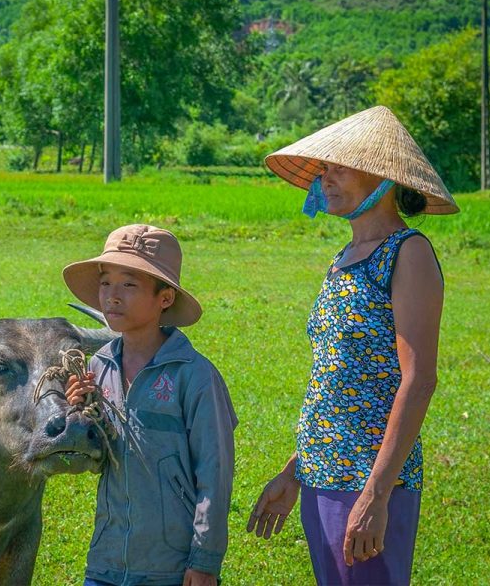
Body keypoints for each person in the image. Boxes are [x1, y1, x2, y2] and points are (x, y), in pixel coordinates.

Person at [246, 106, 459, 585]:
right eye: (323, 170)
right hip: (321, 473)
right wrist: (293, 471)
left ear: (383, 178)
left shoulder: (409, 253)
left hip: (369, 480)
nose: (325, 180)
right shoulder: (342, 258)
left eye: (338, 168)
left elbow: (419, 379)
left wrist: (376, 494)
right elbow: (336, 381)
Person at [63, 224, 238, 586]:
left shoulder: (195, 376)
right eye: (105, 282)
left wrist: (205, 560)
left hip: (170, 569)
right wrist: (78, 420)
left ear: (165, 298)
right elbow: (96, 462)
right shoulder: (98, 367)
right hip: (105, 562)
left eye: (129, 285)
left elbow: (215, 475)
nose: (112, 296)